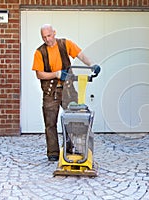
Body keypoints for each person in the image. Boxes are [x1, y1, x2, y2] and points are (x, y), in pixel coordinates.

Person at [32, 24, 95, 161]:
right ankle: (53, 153)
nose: (47, 39)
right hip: (51, 92)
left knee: (74, 119)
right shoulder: (40, 52)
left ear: (54, 33)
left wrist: (92, 65)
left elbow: (80, 55)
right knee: (50, 123)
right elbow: (39, 74)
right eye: (44, 37)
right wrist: (56, 74)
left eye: (49, 36)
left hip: (68, 89)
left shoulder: (65, 44)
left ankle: (71, 149)